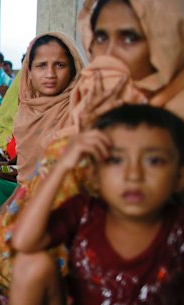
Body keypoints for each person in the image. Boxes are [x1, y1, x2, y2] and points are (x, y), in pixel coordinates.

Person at [0, 0, 184, 291]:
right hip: (66, 212)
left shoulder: (172, 106)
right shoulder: (94, 92)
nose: (110, 53)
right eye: (101, 37)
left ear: (163, 35)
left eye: (130, 37)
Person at [10, 104, 184, 305]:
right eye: (116, 160)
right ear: (94, 176)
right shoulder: (84, 211)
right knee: (30, 264)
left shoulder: (178, 228)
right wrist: (62, 166)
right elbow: (24, 241)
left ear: (179, 176)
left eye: (154, 161)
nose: (134, 175)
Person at [0, 32, 84, 220]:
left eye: (60, 65)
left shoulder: (82, 108)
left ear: (73, 68)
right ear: (28, 72)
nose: (50, 74)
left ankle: (8, 220)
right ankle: (12, 219)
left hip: (65, 198)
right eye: (41, 66)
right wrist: (7, 168)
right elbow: (24, 173)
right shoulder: (26, 111)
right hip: (27, 191)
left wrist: (11, 204)